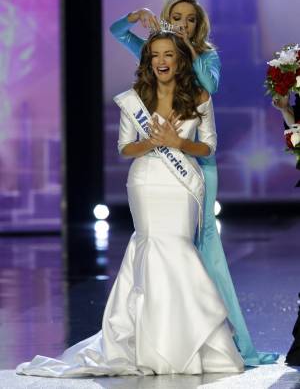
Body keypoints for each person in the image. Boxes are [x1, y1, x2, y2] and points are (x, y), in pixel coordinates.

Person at [16, 30, 244, 377]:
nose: (162, 61)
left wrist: (176, 142)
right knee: (151, 246)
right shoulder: (136, 97)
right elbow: (125, 147)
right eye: (155, 55)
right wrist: (152, 143)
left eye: (168, 54)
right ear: (148, 60)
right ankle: (148, 343)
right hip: (146, 181)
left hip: (181, 185)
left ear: (180, 59)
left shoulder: (199, 95)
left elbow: (209, 146)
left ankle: (188, 341)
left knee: (177, 248)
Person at [110, 0, 279, 366]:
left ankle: (237, 345)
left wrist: (187, 48)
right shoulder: (158, 52)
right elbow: (117, 33)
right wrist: (135, 16)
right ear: (169, 17)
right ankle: (170, 331)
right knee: (173, 252)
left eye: (190, 19)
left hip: (198, 166)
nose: (183, 24)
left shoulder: (206, 56)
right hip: (158, 168)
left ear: (199, 24)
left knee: (206, 252)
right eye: (177, 17)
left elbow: (210, 88)